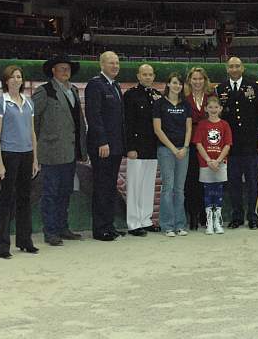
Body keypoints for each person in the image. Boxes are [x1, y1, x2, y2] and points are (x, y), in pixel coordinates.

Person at [33, 55, 87, 247]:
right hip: (52, 151)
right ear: (53, 71)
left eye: (68, 68)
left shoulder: (73, 90)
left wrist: (82, 148)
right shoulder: (44, 91)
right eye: (62, 68)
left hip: (70, 151)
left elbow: (77, 121)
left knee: (65, 191)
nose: (66, 71)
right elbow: (34, 120)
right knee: (50, 193)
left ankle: (63, 227)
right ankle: (50, 232)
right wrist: (40, 143)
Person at [0, 65, 39, 258]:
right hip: (9, 155)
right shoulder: (0, 102)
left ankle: (25, 241)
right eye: (12, 77)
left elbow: (32, 132)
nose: (16, 80)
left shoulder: (28, 102)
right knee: (6, 200)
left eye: (19, 77)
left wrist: (35, 158)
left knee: (25, 199)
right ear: (6, 81)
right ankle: (1, 246)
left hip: (27, 155)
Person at [215, 56, 258, 230]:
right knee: (234, 183)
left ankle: (252, 216)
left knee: (253, 181)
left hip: (251, 144)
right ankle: (237, 216)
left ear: (243, 68)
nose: (234, 69)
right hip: (231, 146)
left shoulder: (255, 87)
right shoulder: (220, 89)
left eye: (237, 66)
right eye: (231, 66)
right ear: (227, 69)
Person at [85, 51, 126, 241]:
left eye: (117, 63)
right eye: (111, 63)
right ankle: (100, 229)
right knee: (102, 187)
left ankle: (109, 225)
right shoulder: (95, 85)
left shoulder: (115, 86)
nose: (115, 66)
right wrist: (102, 141)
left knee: (110, 187)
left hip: (115, 147)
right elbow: (94, 116)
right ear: (101, 65)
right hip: (102, 146)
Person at [123, 64, 163, 236]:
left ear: (153, 76)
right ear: (138, 76)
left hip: (152, 148)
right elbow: (127, 123)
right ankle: (133, 223)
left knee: (148, 186)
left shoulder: (157, 96)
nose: (147, 77)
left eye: (150, 75)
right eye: (144, 74)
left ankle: (146, 220)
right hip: (136, 148)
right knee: (134, 187)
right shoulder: (130, 95)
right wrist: (130, 147)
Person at [153, 72, 192, 237]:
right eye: (174, 83)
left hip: (183, 150)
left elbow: (189, 127)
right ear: (168, 84)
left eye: (180, 83)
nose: (177, 86)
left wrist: (184, 147)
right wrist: (173, 149)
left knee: (179, 189)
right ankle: (167, 225)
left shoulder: (185, 105)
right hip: (166, 150)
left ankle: (180, 224)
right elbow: (158, 129)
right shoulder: (159, 104)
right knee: (168, 188)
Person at [193, 95, 232, 235]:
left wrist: (218, 160)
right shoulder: (202, 125)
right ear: (206, 109)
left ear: (220, 108)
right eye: (210, 107)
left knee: (218, 190)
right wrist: (209, 160)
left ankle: (217, 220)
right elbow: (198, 143)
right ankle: (209, 221)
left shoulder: (224, 125)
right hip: (206, 164)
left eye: (216, 107)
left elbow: (227, 145)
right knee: (208, 191)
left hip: (220, 163)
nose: (213, 109)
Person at [184, 67, 212, 230]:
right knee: (192, 180)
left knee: (207, 180)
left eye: (200, 79)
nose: (197, 82)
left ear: (205, 80)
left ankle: (205, 214)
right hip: (190, 142)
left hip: (209, 144)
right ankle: (193, 215)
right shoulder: (185, 98)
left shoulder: (211, 98)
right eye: (194, 79)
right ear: (190, 81)